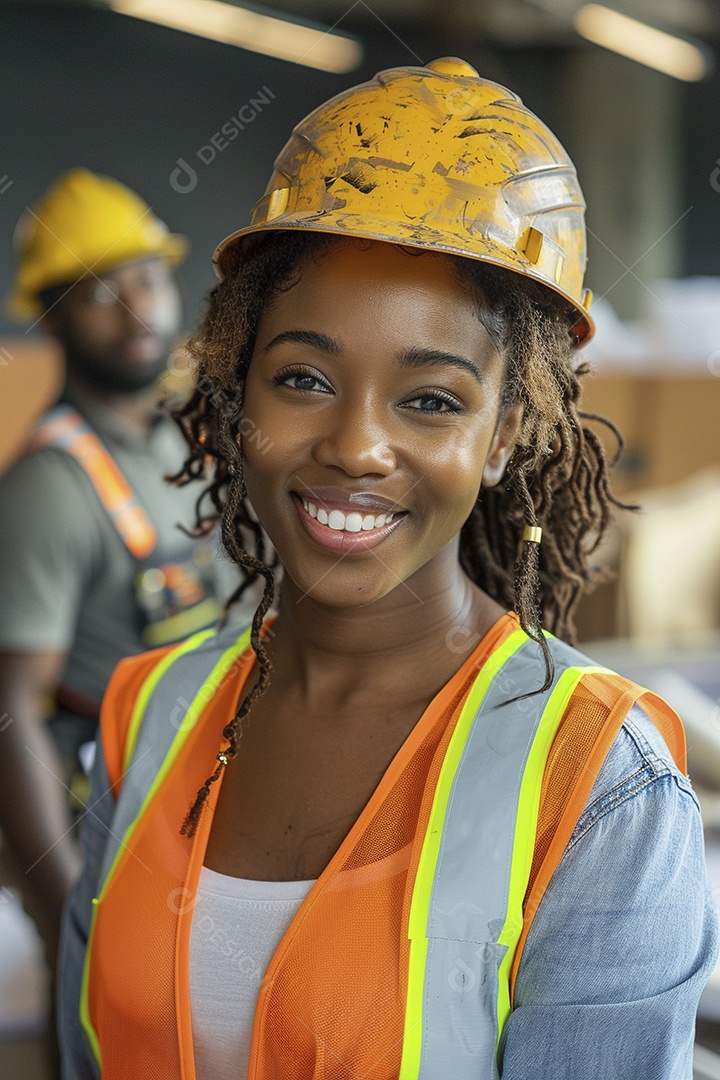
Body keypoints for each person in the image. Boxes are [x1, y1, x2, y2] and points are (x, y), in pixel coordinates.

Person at [59, 61, 718, 1079]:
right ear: (241, 397)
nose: (357, 446)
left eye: (431, 399)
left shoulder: (599, 788)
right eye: (305, 380)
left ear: (506, 434)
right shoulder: (148, 716)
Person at [0, 168, 245, 976]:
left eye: (146, 277)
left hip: (197, 806)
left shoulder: (175, 446)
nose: (137, 305)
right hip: (106, 829)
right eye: (102, 290)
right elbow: (12, 714)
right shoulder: (49, 488)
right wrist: (66, 903)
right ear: (52, 317)